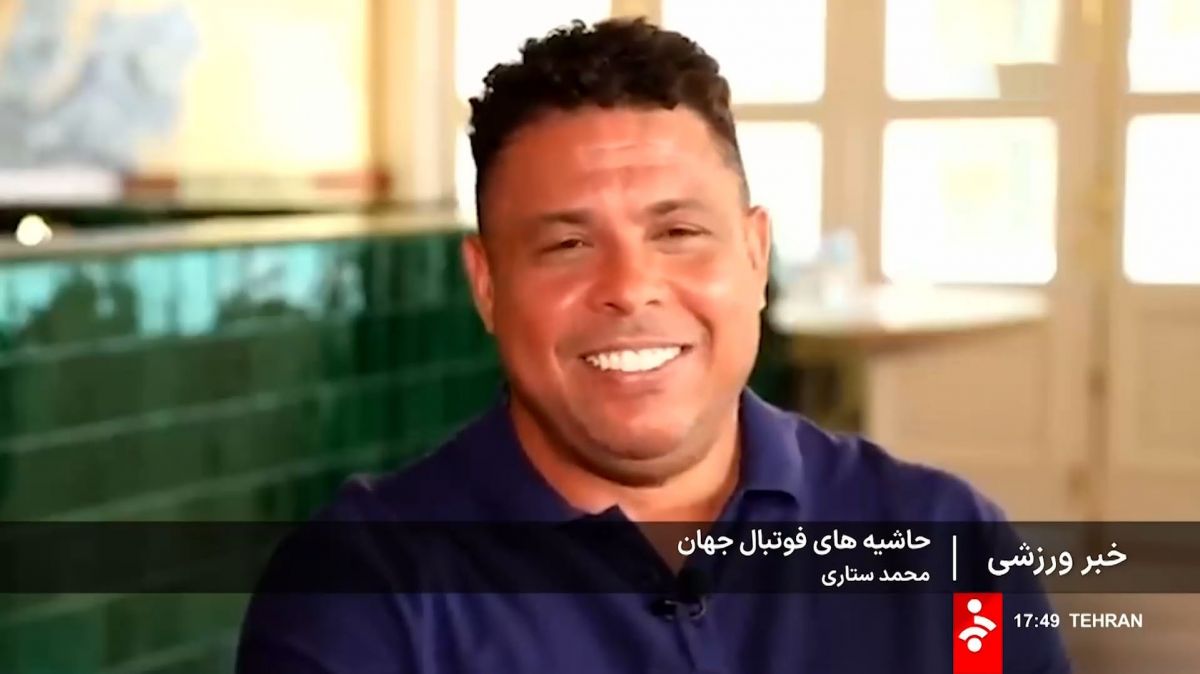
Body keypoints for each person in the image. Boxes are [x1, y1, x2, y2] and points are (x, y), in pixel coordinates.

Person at [236, 17, 1071, 673]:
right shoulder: (361, 588)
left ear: (755, 256)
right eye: (568, 244)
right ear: (487, 285)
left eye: (677, 232)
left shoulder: (949, 548)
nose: (630, 287)